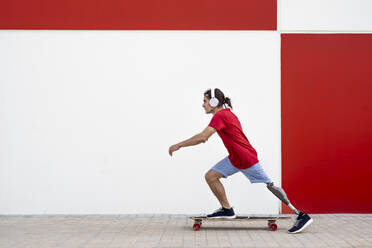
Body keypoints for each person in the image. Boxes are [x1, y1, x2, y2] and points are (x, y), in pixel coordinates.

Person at [168, 88, 313, 234]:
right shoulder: (226, 114)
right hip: (235, 158)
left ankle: (301, 215)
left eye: (205, 101)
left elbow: (202, 137)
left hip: (246, 158)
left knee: (270, 185)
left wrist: (179, 145)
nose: (202, 105)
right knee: (211, 176)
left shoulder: (221, 116)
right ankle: (227, 210)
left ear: (214, 102)